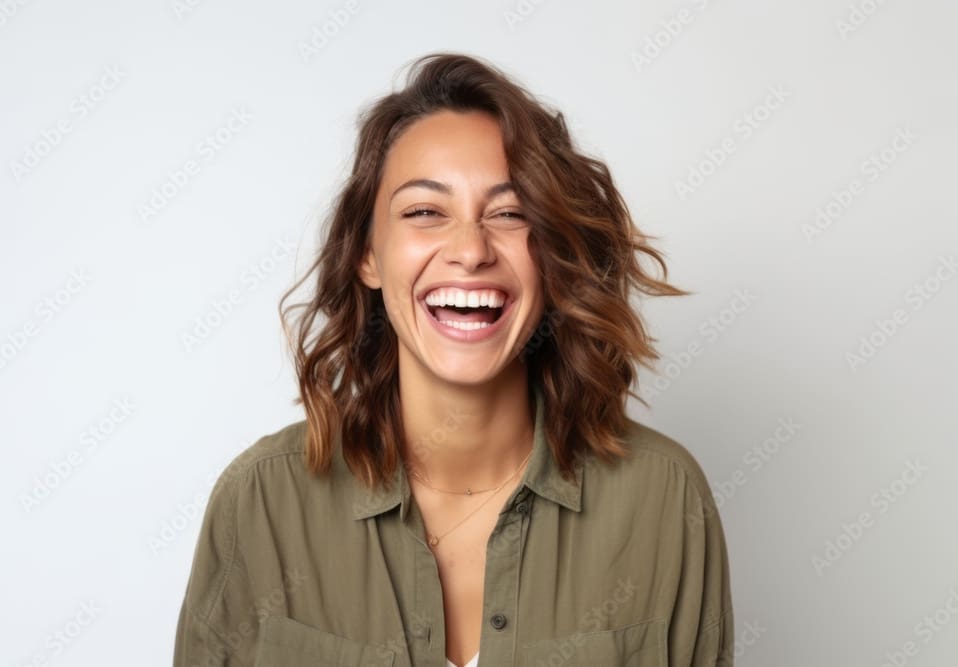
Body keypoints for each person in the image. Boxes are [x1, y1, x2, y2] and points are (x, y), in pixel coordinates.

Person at [173, 51, 734, 667]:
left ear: (552, 256)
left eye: (511, 214)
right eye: (424, 212)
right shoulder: (260, 504)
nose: (470, 250)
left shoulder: (662, 500)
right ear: (367, 256)